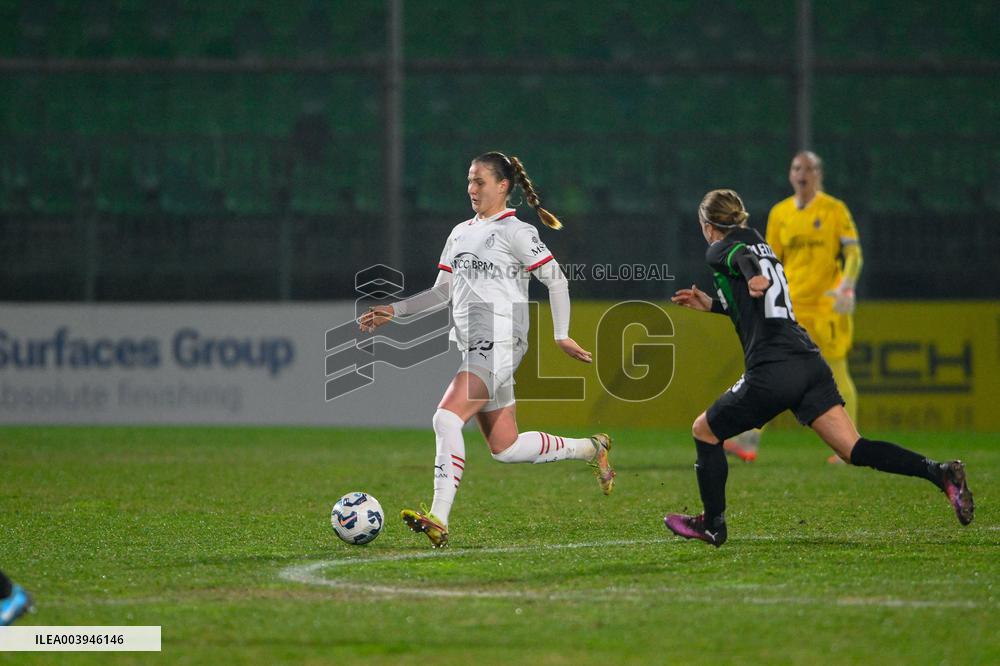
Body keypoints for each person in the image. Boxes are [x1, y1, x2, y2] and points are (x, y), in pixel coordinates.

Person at [665, 189, 973, 547]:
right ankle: (939, 473)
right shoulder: (760, 241)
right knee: (853, 449)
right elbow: (759, 295)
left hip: (772, 368)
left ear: (707, 224)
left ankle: (713, 524)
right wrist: (715, 304)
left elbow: (743, 260)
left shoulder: (721, 248)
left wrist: (750, 278)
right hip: (807, 361)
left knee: (704, 431)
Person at [358, 151, 615, 548]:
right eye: (469, 180)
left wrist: (560, 334)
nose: (472, 189)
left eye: (480, 181)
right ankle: (590, 447)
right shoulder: (460, 232)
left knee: (446, 418)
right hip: (474, 345)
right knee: (505, 447)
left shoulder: (517, 232)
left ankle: (439, 517)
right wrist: (396, 310)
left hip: (498, 338)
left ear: (503, 186)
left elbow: (557, 281)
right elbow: (441, 293)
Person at [724, 151, 863, 464]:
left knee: (837, 372)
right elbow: (770, 261)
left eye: (810, 168)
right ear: (790, 175)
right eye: (798, 168)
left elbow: (853, 253)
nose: (804, 173)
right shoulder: (781, 213)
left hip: (827, 306)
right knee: (771, 368)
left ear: (819, 175)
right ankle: (748, 439)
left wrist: (847, 285)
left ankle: (851, 447)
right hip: (792, 305)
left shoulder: (834, 210)